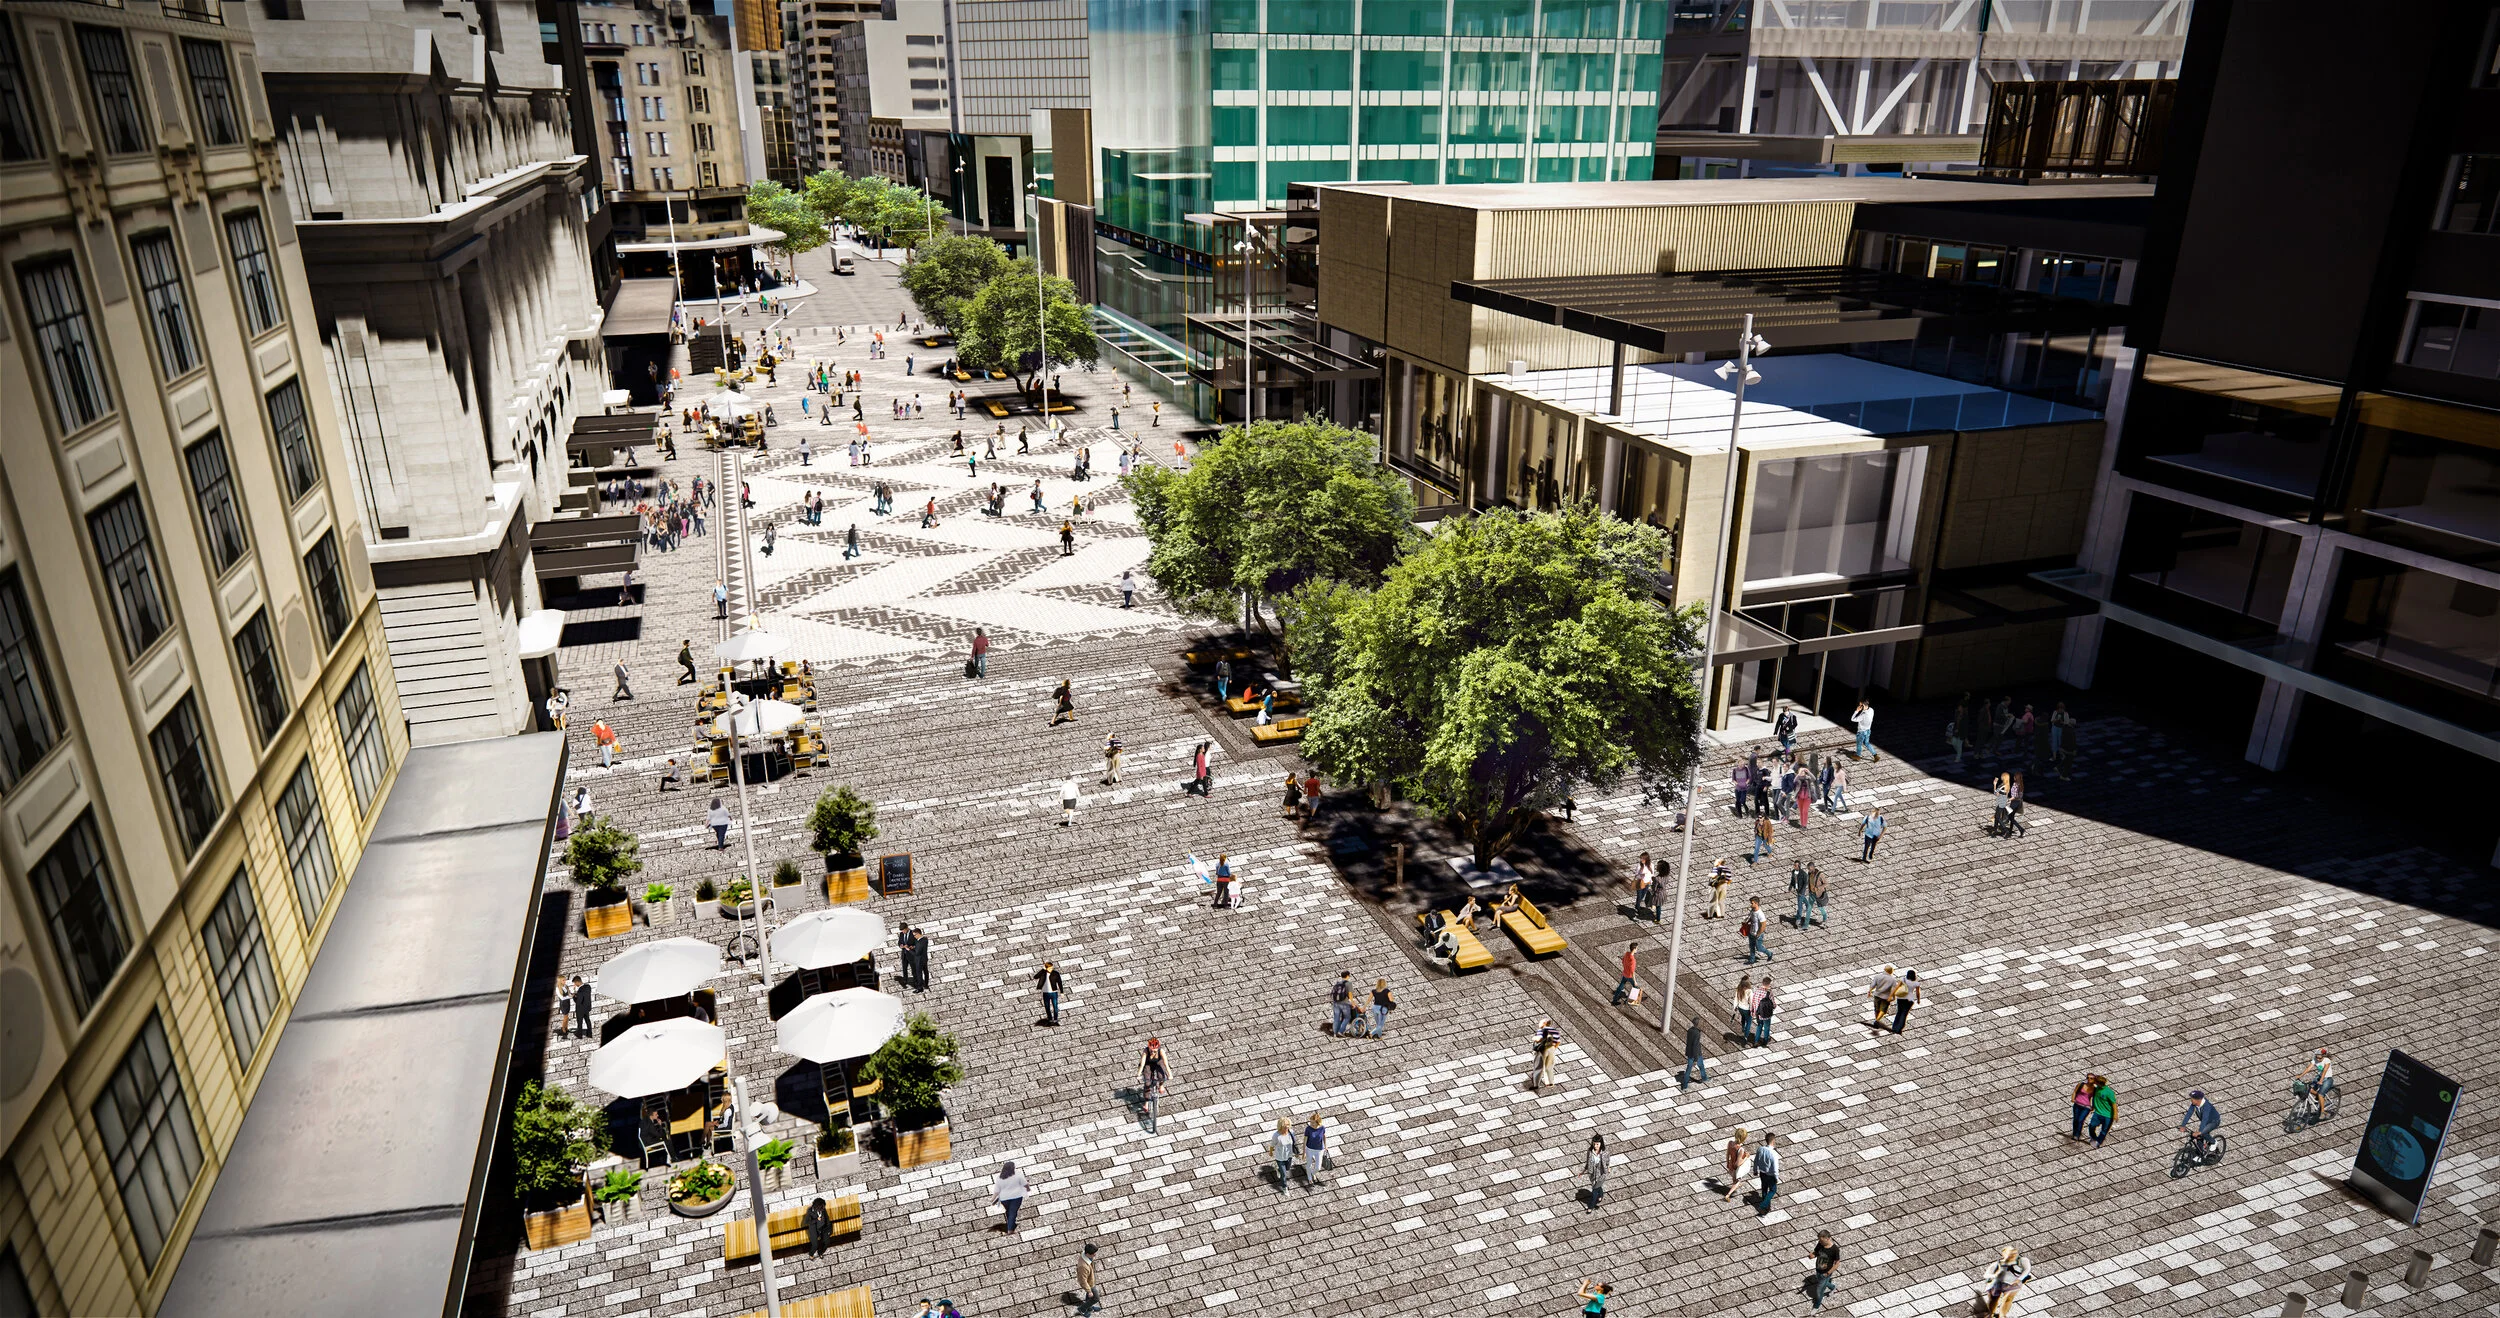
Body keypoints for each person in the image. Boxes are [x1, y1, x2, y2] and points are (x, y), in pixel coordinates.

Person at [1983, 1246, 2032, 1317]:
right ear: (2004, 1254)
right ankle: (1990, 1314)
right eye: (2011, 1254)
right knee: (1994, 1299)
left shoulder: (2022, 1261)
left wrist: (2019, 1279)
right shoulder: (1997, 1264)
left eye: (2015, 1253)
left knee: (2008, 1299)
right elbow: (1986, 1275)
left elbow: (2027, 1269)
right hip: (1997, 1284)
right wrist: (1994, 1275)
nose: (2013, 1255)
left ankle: (2002, 1315)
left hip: (2013, 1283)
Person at [2178, 1089, 2222, 1160]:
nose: (2191, 1100)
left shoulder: (2206, 1106)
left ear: (2198, 1100)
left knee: (2202, 1133)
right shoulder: (2194, 1104)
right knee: (2197, 1137)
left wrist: (2200, 1131)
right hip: (2205, 1122)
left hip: (2213, 1121)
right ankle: (2200, 1154)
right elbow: (2188, 1114)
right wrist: (2183, 1125)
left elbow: (2204, 1119)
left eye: (2192, 1099)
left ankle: (2214, 1142)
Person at [2295, 1048, 2336, 1123]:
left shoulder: (2327, 1060)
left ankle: (2322, 1111)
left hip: (2327, 1079)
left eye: (2319, 1058)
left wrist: (2321, 1081)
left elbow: (2324, 1071)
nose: (2318, 1059)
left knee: (2320, 1094)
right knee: (2309, 1089)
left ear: (2323, 1056)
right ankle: (2321, 1100)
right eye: (2317, 1057)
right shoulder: (2315, 1059)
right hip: (2319, 1077)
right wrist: (2300, 1075)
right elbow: (2309, 1068)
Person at [1137, 1040, 1170, 1130]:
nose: (1152, 1052)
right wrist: (1138, 1074)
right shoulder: (1145, 1051)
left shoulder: (1161, 1051)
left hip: (1158, 1063)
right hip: (1148, 1064)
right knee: (1147, 1083)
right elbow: (1142, 1063)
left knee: (1162, 1076)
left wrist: (1170, 1074)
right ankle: (1146, 1102)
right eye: (1151, 1050)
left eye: (1154, 1050)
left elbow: (1166, 1064)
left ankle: (1161, 1085)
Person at [1809, 1231, 1842, 1309]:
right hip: (1818, 1270)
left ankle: (1816, 1306)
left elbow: (1837, 1263)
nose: (1820, 1243)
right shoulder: (1820, 1244)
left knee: (1819, 1292)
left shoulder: (1835, 1249)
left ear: (1828, 1239)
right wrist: (1812, 1255)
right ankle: (1833, 1287)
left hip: (1826, 1273)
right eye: (1820, 1241)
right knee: (1822, 1282)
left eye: (1822, 1241)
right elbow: (1816, 1252)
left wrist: (1828, 1273)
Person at [1750, 1132, 1781, 1214]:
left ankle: (1766, 1207)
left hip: (1762, 1173)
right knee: (1773, 1190)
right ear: (1773, 1141)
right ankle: (1763, 1205)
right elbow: (1775, 1168)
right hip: (1770, 1175)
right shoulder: (1773, 1153)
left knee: (1764, 1189)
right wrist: (1777, 1178)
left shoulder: (1760, 1149)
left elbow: (1756, 1160)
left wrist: (1755, 1170)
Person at [992, 1161, 1027, 1232]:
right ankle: (1010, 1229)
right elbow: (1024, 1184)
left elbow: (997, 1190)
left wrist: (993, 1199)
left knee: (1009, 1210)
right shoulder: (1017, 1176)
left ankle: (1011, 1223)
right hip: (1016, 1197)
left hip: (1004, 1199)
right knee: (1013, 1212)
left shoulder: (1000, 1177)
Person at [1531, 1019, 1563, 1089]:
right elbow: (1558, 1041)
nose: (1539, 1023)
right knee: (1549, 1066)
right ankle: (1550, 1082)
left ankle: (1536, 1084)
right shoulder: (1555, 1030)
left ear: (1544, 1023)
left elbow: (1539, 1039)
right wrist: (1554, 1048)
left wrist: (1534, 1038)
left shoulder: (1542, 1030)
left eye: (1540, 1022)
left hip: (1543, 1049)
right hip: (1551, 1049)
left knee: (1539, 1067)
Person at [2087, 1075, 2117, 1146]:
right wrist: (2093, 1106)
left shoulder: (2109, 1092)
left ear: (2098, 1083)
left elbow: (2114, 1104)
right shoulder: (2097, 1088)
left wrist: (2115, 1114)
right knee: (2091, 1126)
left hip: (2108, 1115)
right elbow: (2095, 1097)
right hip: (2098, 1113)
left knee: (2104, 1131)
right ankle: (2093, 1138)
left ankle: (2098, 1142)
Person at [1720, 1128, 1750, 1200]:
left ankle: (1736, 1183)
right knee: (1737, 1181)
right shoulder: (1740, 1149)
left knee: (1734, 1179)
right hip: (1736, 1169)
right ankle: (1728, 1194)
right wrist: (1746, 1157)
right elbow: (1738, 1164)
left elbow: (1727, 1154)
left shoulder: (1730, 1143)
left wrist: (1727, 1163)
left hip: (1730, 1164)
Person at [1741, 898, 1773, 964]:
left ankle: (1769, 953)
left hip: (1757, 934)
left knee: (1759, 948)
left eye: (1752, 903)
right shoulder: (1752, 911)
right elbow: (1751, 918)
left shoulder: (1760, 914)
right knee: (1751, 947)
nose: (1750, 904)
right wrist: (1747, 921)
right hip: (1751, 932)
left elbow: (1763, 925)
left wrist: (1758, 934)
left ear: (1756, 903)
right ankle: (1752, 960)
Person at [1033, 960, 1064, 1025]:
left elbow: (1059, 982)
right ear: (1046, 968)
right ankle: (1050, 1019)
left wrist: (1062, 992)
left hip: (1053, 992)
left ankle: (1055, 1020)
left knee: (1055, 1006)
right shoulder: (1043, 973)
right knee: (1047, 1007)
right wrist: (1042, 969)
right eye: (1050, 968)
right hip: (1045, 993)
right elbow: (1035, 977)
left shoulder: (1055, 973)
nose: (1051, 969)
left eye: (1052, 968)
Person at [1889, 969, 1920, 1034]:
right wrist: (1918, 1000)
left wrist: (1892, 995)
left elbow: (1896, 988)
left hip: (1901, 998)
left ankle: (1894, 1027)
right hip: (1909, 1000)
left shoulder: (1903, 980)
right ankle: (1899, 1028)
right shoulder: (1916, 983)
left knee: (1899, 1012)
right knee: (1904, 1014)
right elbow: (1917, 993)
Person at [1680, 1017, 1707, 1090]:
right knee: (1699, 1066)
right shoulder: (1697, 1033)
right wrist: (1696, 1058)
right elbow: (1695, 1045)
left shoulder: (1690, 1030)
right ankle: (1704, 1079)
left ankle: (1685, 1085)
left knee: (1690, 1068)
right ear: (1698, 1024)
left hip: (1689, 1052)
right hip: (1696, 1054)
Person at [1270, 1118, 1297, 1192]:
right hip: (1280, 1157)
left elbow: (1294, 1143)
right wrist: (1271, 1151)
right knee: (1284, 1175)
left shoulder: (1291, 1132)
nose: (1287, 1127)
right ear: (1280, 1125)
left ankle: (1278, 1169)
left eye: (1288, 1125)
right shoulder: (1276, 1135)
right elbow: (1272, 1144)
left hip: (1289, 1156)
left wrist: (1296, 1153)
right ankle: (1285, 1188)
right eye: (1285, 1125)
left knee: (1287, 1169)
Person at [2071, 1074, 2100, 1141]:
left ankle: (2077, 1135)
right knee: (2075, 1120)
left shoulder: (2094, 1089)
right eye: (2088, 1078)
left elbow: (2094, 1098)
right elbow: (2075, 1092)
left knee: (2080, 1120)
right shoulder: (2081, 1085)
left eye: (2091, 1078)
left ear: (2094, 1080)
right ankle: (2074, 1133)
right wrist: (2073, 1098)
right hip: (2077, 1104)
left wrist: (2093, 1106)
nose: (2089, 1079)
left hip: (2086, 1107)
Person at [1301, 1114, 1327, 1188]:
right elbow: (1305, 1141)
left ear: (1318, 1122)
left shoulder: (1322, 1128)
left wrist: (1325, 1146)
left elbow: (1324, 1136)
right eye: (1310, 1122)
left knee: (1318, 1167)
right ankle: (1309, 1178)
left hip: (1319, 1149)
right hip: (1310, 1149)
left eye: (1313, 1123)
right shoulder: (1308, 1129)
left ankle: (1312, 1173)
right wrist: (1304, 1152)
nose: (1311, 1124)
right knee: (1309, 1164)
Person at [1074, 1242, 1101, 1315]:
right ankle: (1082, 1309)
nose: (1095, 1255)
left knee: (1089, 1298)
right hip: (1089, 1284)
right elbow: (1082, 1280)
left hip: (1091, 1280)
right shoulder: (1083, 1267)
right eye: (1093, 1254)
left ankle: (1089, 1307)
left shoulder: (1085, 1255)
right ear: (1087, 1253)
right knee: (1096, 1298)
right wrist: (1089, 1291)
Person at [1583, 1135, 1608, 1208]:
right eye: (1594, 1144)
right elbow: (1588, 1162)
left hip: (1601, 1174)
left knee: (1594, 1190)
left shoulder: (1604, 1153)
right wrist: (1583, 1171)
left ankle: (1590, 1206)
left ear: (1601, 1144)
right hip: (1592, 1174)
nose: (1595, 1146)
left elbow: (1607, 1162)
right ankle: (1601, 1194)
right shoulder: (1590, 1152)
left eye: (1597, 1144)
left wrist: (1608, 1168)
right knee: (1597, 1187)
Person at [1329, 971, 1355, 1037]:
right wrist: (1352, 1003)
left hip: (1336, 1003)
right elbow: (1350, 994)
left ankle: (1335, 1033)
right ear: (1347, 976)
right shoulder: (1348, 983)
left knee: (1336, 1018)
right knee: (1347, 1017)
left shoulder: (1337, 983)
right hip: (1344, 1003)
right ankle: (1341, 1031)